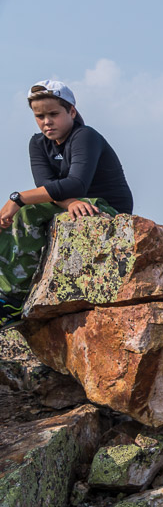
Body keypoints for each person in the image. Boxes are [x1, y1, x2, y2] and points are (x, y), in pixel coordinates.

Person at [0, 80, 133, 329]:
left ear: (71, 112)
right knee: (7, 220)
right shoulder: (38, 144)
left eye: (53, 114)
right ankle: (4, 292)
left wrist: (16, 198)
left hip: (106, 208)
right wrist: (68, 202)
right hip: (69, 203)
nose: (46, 121)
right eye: (39, 116)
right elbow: (44, 184)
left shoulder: (85, 136)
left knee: (24, 213)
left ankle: (13, 300)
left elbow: (77, 183)